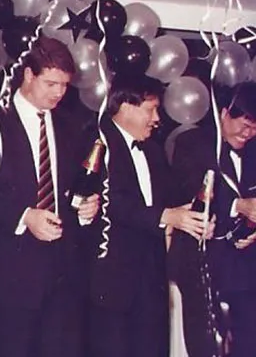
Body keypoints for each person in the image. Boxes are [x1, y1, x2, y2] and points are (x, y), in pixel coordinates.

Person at [0, 36, 100, 357]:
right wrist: (24, 216)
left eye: (64, 85)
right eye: (51, 84)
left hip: (62, 277)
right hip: (6, 276)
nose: (59, 93)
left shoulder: (71, 126)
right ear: (28, 75)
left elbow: (74, 188)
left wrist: (85, 207)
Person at [88, 75, 196, 357]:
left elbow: (173, 195)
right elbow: (111, 202)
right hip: (111, 280)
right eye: (151, 109)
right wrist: (166, 216)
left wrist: (192, 213)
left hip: (151, 277)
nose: (157, 118)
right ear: (125, 106)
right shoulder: (96, 142)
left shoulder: (153, 150)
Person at [170, 83, 256, 357]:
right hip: (204, 264)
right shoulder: (192, 143)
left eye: (255, 128)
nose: (248, 133)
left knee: (255, 343)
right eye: (244, 125)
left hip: (246, 268)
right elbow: (189, 190)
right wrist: (238, 206)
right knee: (207, 347)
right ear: (224, 113)